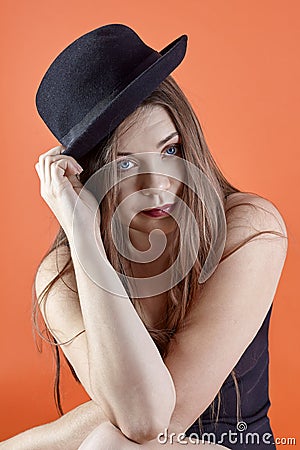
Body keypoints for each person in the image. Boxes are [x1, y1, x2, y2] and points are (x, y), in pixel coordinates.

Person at [1, 24, 288, 449]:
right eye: (125, 165)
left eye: (170, 150)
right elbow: (132, 413)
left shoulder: (249, 228)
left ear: (188, 140)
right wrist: (84, 236)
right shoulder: (63, 274)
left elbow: (151, 419)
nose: (158, 184)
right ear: (87, 176)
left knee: (108, 443)